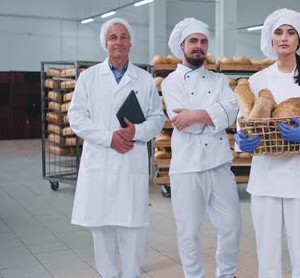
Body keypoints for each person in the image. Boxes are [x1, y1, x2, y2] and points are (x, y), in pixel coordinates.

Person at [234, 8, 300, 278]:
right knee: (266, 250)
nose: (284, 38)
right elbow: (244, 121)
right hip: (266, 175)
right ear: (271, 38)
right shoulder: (258, 80)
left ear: (299, 39)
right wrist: (242, 141)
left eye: (291, 32)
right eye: (278, 33)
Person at [68, 17, 164, 278]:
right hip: (100, 160)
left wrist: (138, 132)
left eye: (123, 37)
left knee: (133, 231)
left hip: (130, 161)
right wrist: (108, 137)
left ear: (130, 43)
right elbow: (76, 117)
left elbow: (158, 118)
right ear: (105, 43)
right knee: (103, 232)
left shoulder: (144, 79)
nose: (118, 42)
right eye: (113, 37)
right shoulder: (88, 78)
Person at [162, 18, 241, 278]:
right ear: (182, 45)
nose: (199, 46)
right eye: (193, 41)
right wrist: (212, 116)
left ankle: (226, 275)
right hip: (187, 167)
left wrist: (196, 115)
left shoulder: (219, 80)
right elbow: (183, 124)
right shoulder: (170, 82)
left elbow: (231, 113)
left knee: (231, 226)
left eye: (203, 41)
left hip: (219, 164)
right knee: (188, 231)